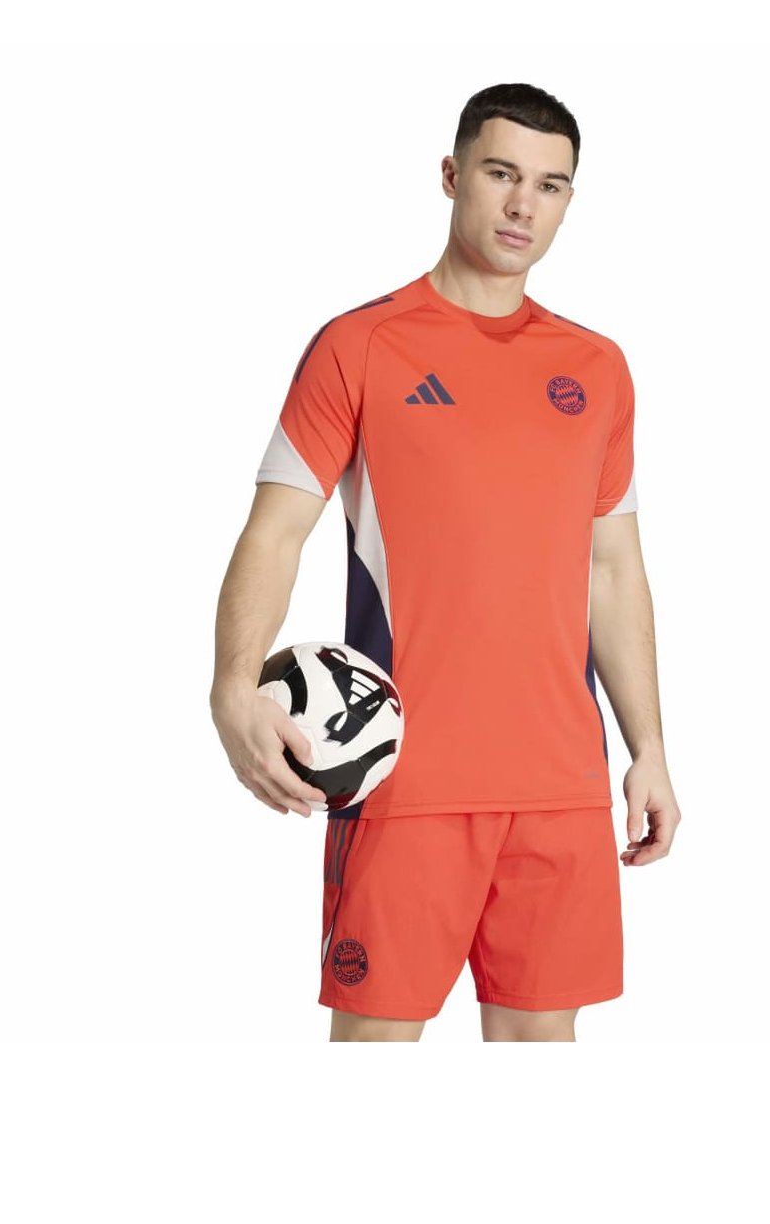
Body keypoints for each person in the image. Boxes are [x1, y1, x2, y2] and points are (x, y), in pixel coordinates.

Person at [210, 82, 681, 1042]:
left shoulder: (598, 368)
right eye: (502, 174)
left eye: (549, 185)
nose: (522, 205)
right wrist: (230, 686)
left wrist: (651, 749)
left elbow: (613, 570)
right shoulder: (361, 345)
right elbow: (274, 533)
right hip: (403, 779)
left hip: (559, 784)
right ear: (452, 175)